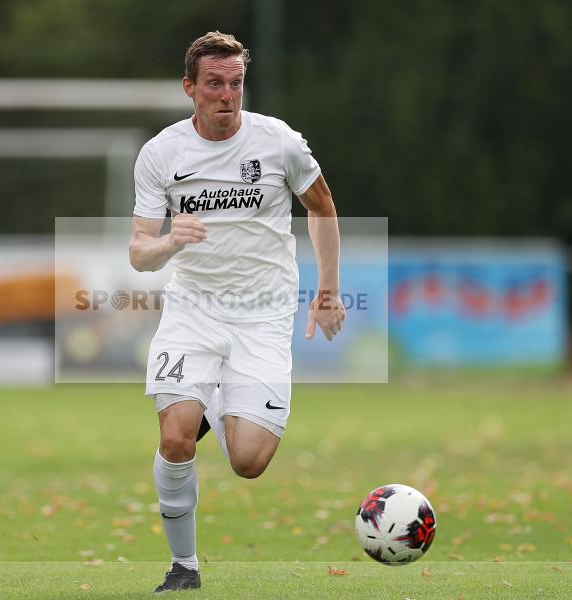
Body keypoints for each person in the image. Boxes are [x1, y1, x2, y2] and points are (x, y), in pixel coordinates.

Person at [128, 31, 344, 593]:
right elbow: (139, 253)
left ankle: (216, 395)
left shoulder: (279, 143)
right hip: (193, 309)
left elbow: (321, 205)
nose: (227, 95)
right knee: (177, 438)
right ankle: (184, 568)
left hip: (263, 315)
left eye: (236, 83)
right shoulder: (161, 154)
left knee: (249, 461)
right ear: (190, 88)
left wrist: (328, 289)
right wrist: (171, 242)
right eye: (215, 84)